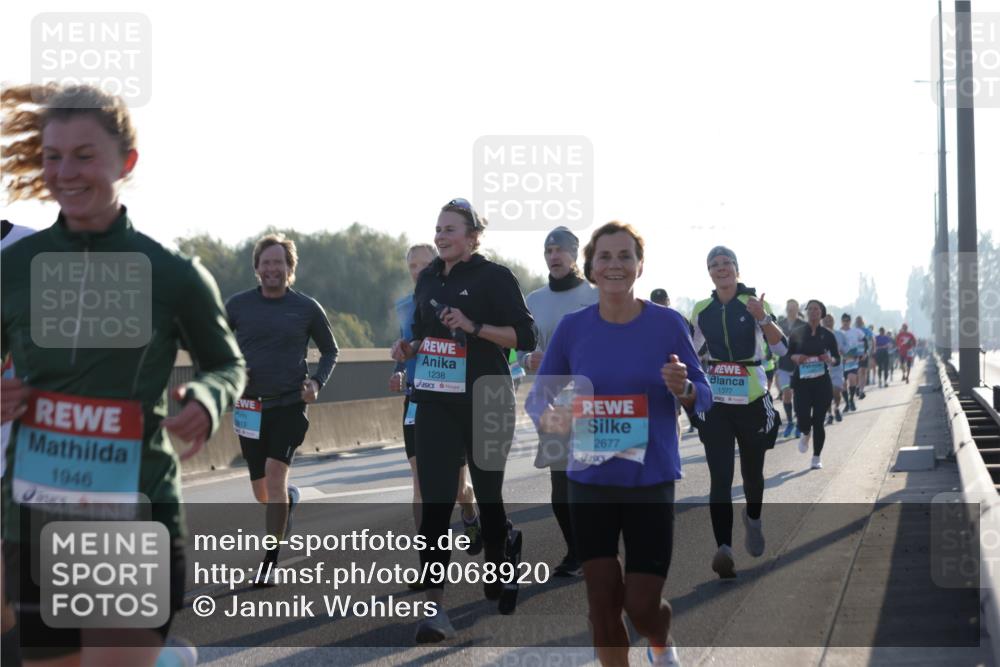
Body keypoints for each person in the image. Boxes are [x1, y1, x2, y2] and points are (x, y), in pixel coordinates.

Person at [1, 83, 246, 666]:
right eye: (53, 156)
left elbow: (226, 362)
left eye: (85, 155)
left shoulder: (171, 273)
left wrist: (208, 400)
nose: (66, 172)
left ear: (125, 162)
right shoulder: (14, 269)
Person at [526, 221, 711, 666]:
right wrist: (554, 420)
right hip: (590, 480)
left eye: (625, 256)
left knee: (642, 606)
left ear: (639, 266)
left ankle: (660, 642)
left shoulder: (667, 324)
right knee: (602, 606)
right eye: (605, 257)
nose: (615, 265)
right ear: (590, 267)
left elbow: (703, 396)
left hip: (650, 479)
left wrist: (682, 387)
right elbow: (539, 398)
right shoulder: (573, 328)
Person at [391, 198, 537, 642]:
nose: (440, 236)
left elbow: (525, 337)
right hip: (435, 399)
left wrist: (475, 327)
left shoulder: (495, 278)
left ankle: (502, 550)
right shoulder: (428, 277)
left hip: (488, 395)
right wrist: (408, 350)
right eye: (437, 228)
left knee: (489, 496)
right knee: (435, 501)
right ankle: (434, 608)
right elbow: (421, 334)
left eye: (450, 229)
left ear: (473, 236)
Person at [226, 233, 339, 584]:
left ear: (290, 268)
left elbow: (330, 351)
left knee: (275, 476)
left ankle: (269, 562)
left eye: (279, 262)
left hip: (289, 405)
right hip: (249, 408)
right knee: (263, 492)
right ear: (257, 268)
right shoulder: (238, 306)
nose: (272, 268)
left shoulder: (306, 307)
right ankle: (288, 500)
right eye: (266, 262)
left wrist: (316, 382)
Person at [690, 246, 785, 579]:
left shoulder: (754, 303)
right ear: (709, 272)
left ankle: (754, 519)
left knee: (752, 474)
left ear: (737, 269)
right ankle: (724, 549)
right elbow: (689, 350)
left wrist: (762, 316)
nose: (721, 268)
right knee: (720, 476)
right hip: (716, 401)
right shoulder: (702, 309)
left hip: (753, 399)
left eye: (726, 263)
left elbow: (781, 347)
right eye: (714, 264)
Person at [390, 243, 481, 570]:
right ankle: (428, 562)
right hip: (416, 400)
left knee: (458, 489)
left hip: (450, 402)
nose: (418, 271)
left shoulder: (457, 302)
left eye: (424, 264)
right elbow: (406, 349)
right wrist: (398, 369)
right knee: (420, 483)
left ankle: (469, 511)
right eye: (412, 266)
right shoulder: (404, 306)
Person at [521, 226, 599, 578]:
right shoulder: (533, 301)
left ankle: (595, 549)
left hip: (592, 398)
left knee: (591, 480)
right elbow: (521, 349)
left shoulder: (595, 295)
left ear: (575, 254)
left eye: (560, 250)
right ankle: (576, 550)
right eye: (548, 250)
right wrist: (527, 360)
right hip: (552, 400)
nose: (554, 256)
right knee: (559, 486)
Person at [788, 301, 841, 470]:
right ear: (806, 312)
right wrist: (797, 358)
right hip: (802, 382)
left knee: (818, 421)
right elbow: (788, 355)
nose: (812, 312)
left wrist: (829, 360)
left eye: (816, 309)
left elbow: (837, 358)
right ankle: (805, 432)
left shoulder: (828, 334)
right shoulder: (797, 333)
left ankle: (816, 457)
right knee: (803, 417)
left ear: (822, 313)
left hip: (821, 382)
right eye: (810, 309)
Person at [776, 300, 807, 438]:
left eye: (794, 308)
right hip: (783, 365)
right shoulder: (780, 324)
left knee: (799, 396)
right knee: (787, 394)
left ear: (797, 309)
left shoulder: (803, 325)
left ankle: (800, 423)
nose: (791, 310)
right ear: (786, 308)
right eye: (789, 307)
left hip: (799, 367)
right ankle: (790, 422)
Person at [822, 314, 846, 425]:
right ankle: (829, 414)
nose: (828, 322)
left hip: (837, 367)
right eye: (826, 320)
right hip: (823, 368)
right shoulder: (818, 335)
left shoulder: (840, 334)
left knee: (836, 391)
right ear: (822, 322)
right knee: (826, 394)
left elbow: (847, 347)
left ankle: (836, 408)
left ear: (834, 322)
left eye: (830, 320)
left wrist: (842, 351)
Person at [839, 313, 865, 412]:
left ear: (850, 321)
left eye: (847, 320)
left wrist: (864, 353)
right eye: (844, 320)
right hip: (841, 361)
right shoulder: (838, 332)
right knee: (843, 384)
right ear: (842, 321)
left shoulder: (856, 331)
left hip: (853, 359)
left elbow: (864, 340)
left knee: (852, 379)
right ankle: (846, 403)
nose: (845, 322)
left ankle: (851, 400)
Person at [855, 316, 873, 397]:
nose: (858, 322)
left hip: (865, 353)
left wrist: (871, 350)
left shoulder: (867, 330)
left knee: (863, 371)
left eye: (860, 321)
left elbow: (872, 340)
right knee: (858, 371)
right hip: (855, 354)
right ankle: (858, 386)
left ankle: (861, 390)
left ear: (862, 322)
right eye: (857, 321)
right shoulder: (853, 330)